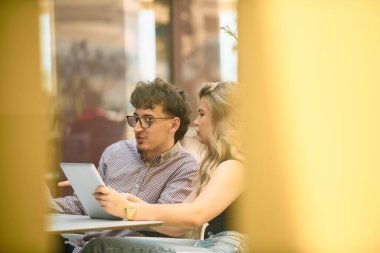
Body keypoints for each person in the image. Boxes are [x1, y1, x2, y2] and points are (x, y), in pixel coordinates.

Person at [82, 81, 247, 253]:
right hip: (212, 244)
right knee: (99, 246)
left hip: (228, 247)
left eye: (202, 114)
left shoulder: (234, 166)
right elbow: (176, 227)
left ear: (221, 118)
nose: (196, 122)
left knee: (101, 247)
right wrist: (129, 201)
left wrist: (128, 209)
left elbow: (195, 215)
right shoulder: (221, 166)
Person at [53, 78, 200, 253]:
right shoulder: (116, 152)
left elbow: (164, 221)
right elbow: (83, 206)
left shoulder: (186, 167)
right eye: (136, 119)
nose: (137, 128)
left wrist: (119, 203)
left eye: (148, 120)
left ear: (173, 124)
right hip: (82, 245)